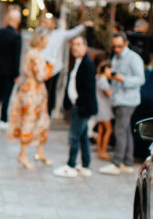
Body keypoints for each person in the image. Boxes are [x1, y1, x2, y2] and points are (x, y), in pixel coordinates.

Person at [99, 32, 145, 175]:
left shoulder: (133, 58)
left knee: (120, 131)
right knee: (125, 131)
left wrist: (122, 79)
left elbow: (140, 79)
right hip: (118, 98)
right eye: (114, 46)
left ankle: (117, 162)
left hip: (127, 100)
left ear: (126, 44)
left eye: (119, 46)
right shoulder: (115, 58)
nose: (116, 49)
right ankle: (127, 162)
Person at [8, 29, 53, 169]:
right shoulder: (35, 55)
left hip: (31, 90)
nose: (47, 42)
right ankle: (23, 154)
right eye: (46, 39)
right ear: (40, 40)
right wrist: (51, 66)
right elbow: (41, 76)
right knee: (29, 120)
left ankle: (40, 152)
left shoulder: (32, 53)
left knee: (42, 121)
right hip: (33, 93)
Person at [54, 37, 97, 178]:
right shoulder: (78, 62)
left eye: (78, 44)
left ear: (85, 47)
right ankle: (85, 165)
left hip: (82, 107)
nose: (75, 47)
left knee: (74, 136)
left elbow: (88, 89)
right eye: (73, 44)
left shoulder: (87, 64)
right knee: (83, 137)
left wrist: (79, 103)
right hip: (77, 106)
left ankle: (71, 165)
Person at [40, 15, 93, 115]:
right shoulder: (42, 34)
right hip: (41, 66)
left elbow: (72, 33)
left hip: (53, 67)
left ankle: (48, 111)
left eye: (47, 22)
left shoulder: (59, 34)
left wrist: (83, 26)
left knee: (50, 91)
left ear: (53, 24)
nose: (45, 25)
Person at [0, 8, 22, 128]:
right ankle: (3, 118)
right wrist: (17, 73)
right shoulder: (16, 36)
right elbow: (16, 57)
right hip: (10, 70)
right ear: (18, 21)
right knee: (6, 93)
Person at [94, 61, 114, 162]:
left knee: (101, 130)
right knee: (109, 129)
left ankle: (100, 151)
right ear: (105, 69)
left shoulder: (98, 78)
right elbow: (109, 93)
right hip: (104, 108)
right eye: (110, 69)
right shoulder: (103, 80)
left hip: (100, 107)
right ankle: (103, 151)